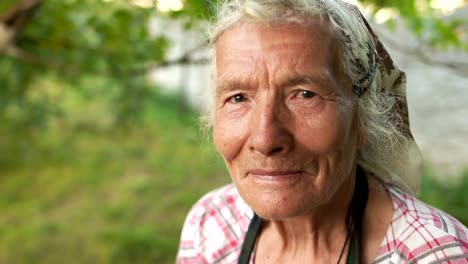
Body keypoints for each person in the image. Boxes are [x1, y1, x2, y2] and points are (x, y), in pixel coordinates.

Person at [177, 0, 468, 263]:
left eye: (304, 94)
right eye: (238, 97)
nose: (265, 139)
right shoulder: (210, 225)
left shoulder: (437, 255)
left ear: (363, 117)